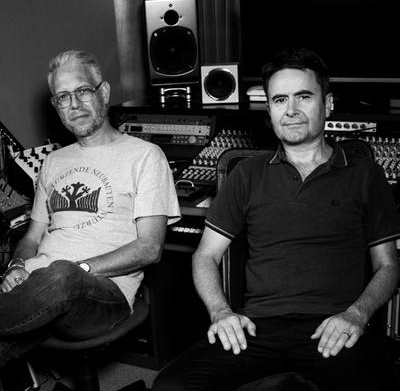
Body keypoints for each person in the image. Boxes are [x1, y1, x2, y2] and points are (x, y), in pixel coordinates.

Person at [152, 47, 400, 391]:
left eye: (304, 97)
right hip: (257, 328)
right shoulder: (246, 174)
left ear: (327, 104)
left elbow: (388, 265)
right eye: (280, 100)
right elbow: (205, 255)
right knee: (171, 386)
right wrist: (221, 312)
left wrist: (356, 315)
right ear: (269, 110)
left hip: (333, 326)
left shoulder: (365, 174)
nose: (291, 110)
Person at [0, 50, 180, 366]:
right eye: (63, 97)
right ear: (56, 106)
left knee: (62, 274)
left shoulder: (146, 156)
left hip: (103, 292)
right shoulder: (53, 162)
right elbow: (32, 237)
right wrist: (16, 266)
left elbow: (150, 248)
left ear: (104, 93)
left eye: (82, 91)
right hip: (38, 286)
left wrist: (79, 269)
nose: (74, 104)